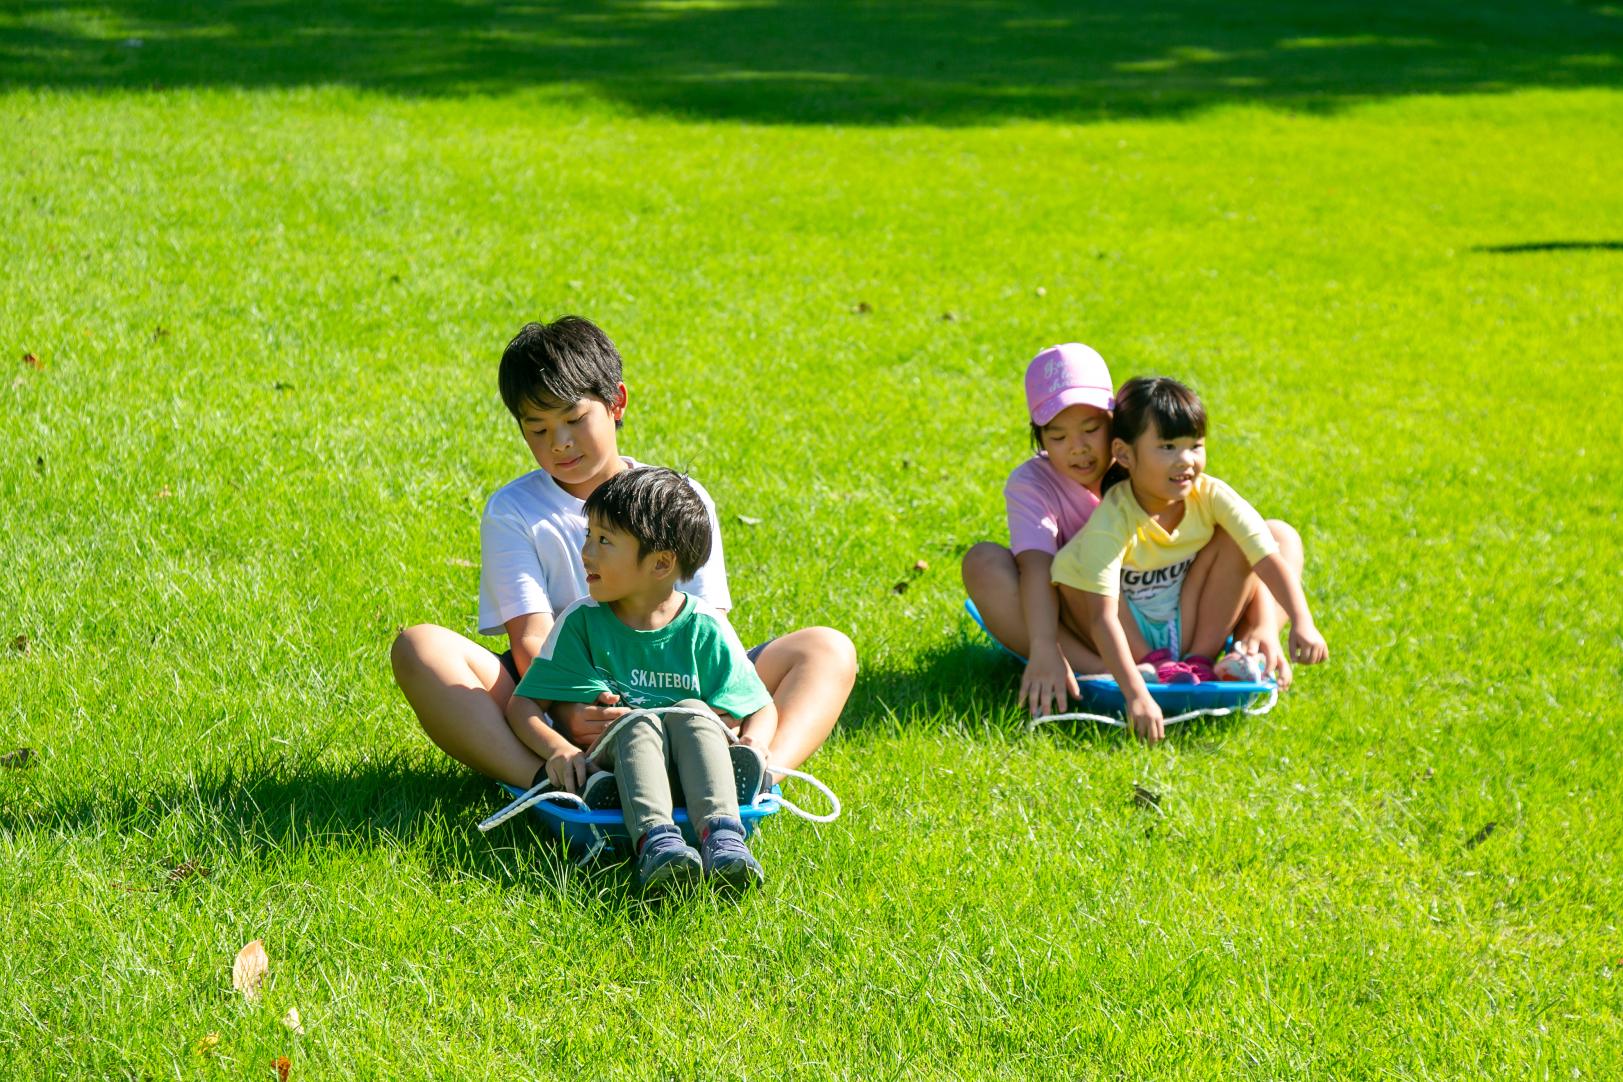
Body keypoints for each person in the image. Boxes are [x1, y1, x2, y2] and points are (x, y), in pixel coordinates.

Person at [391, 316, 856, 795]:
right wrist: (573, 711)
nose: (560, 443)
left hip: (684, 684)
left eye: (574, 420)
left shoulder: (677, 497)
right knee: (420, 648)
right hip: (567, 696)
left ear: (617, 402)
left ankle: (750, 778)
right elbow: (531, 636)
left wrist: (706, 709)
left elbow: (709, 622)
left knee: (827, 650)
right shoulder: (515, 510)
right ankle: (558, 788)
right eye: (538, 429)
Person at [961, 345, 1302, 718]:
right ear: (1039, 438)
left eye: (1092, 429)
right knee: (983, 563)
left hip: (1180, 605)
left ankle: (1253, 642)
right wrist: (1044, 646)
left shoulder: (1147, 460)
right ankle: (1094, 671)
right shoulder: (1033, 484)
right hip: (1093, 621)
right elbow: (1038, 570)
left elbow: (1241, 541)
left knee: (1280, 535)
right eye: (1058, 438)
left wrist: (1265, 622)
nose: (1079, 449)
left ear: (1117, 424)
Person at [507, 467, 773, 892]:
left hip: (691, 759)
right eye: (588, 536)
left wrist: (755, 743)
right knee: (636, 722)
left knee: (693, 712)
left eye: (604, 541)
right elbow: (523, 706)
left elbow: (760, 706)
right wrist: (556, 748)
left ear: (661, 563)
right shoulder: (583, 622)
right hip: (618, 753)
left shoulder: (703, 626)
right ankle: (658, 843)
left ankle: (724, 838)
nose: (586, 552)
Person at [1051, 376, 1329, 742]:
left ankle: (1198, 660)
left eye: (1194, 446)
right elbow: (1103, 618)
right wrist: (1136, 695)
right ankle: (1149, 667)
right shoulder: (1113, 518)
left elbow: (1266, 558)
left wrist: (1302, 621)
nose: (1186, 460)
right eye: (1167, 447)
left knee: (1245, 537)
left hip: (1184, 614)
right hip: (1125, 625)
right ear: (1124, 454)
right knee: (1073, 574)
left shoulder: (1210, 494)